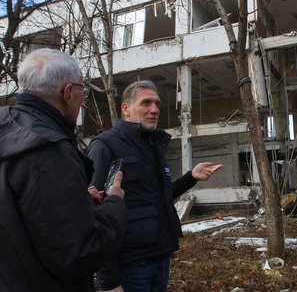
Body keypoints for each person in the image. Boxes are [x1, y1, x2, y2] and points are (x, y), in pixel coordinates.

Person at [0, 48, 128, 292]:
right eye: (83, 91)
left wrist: (76, 203)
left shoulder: (9, 133)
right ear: (68, 93)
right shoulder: (51, 151)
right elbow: (80, 255)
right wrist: (114, 204)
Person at [86, 80, 221, 292]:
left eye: (157, 104)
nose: (154, 110)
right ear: (125, 108)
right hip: (130, 265)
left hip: (160, 259)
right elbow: (94, 214)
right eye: (146, 103)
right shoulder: (105, 146)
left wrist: (191, 177)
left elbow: (159, 198)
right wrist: (109, 281)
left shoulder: (153, 146)